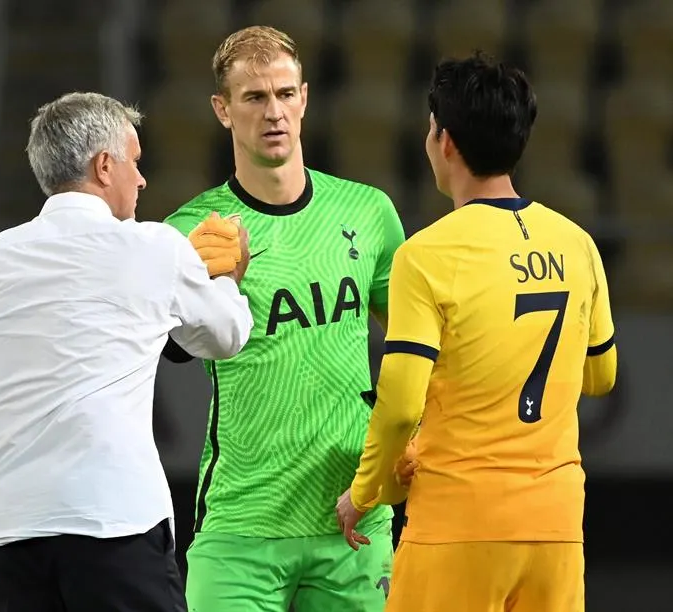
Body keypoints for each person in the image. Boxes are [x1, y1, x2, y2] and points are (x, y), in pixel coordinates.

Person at [0, 91, 255, 612]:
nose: (143, 179)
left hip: (13, 542)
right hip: (120, 529)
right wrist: (226, 280)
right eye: (136, 162)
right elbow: (226, 336)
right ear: (105, 165)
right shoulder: (156, 248)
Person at [336, 51, 617, 612]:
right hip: (557, 528)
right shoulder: (578, 243)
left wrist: (367, 492)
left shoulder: (426, 255)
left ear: (444, 141)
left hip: (459, 525)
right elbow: (600, 375)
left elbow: (398, 407)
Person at [163, 26, 406, 612]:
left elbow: (417, 346)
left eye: (284, 93)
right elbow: (166, 350)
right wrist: (220, 289)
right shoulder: (189, 232)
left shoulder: (369, 212)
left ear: (304, 99)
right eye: (253, 98)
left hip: (353, 518)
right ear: (223, 110)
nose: (273, 112)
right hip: (242, 524)